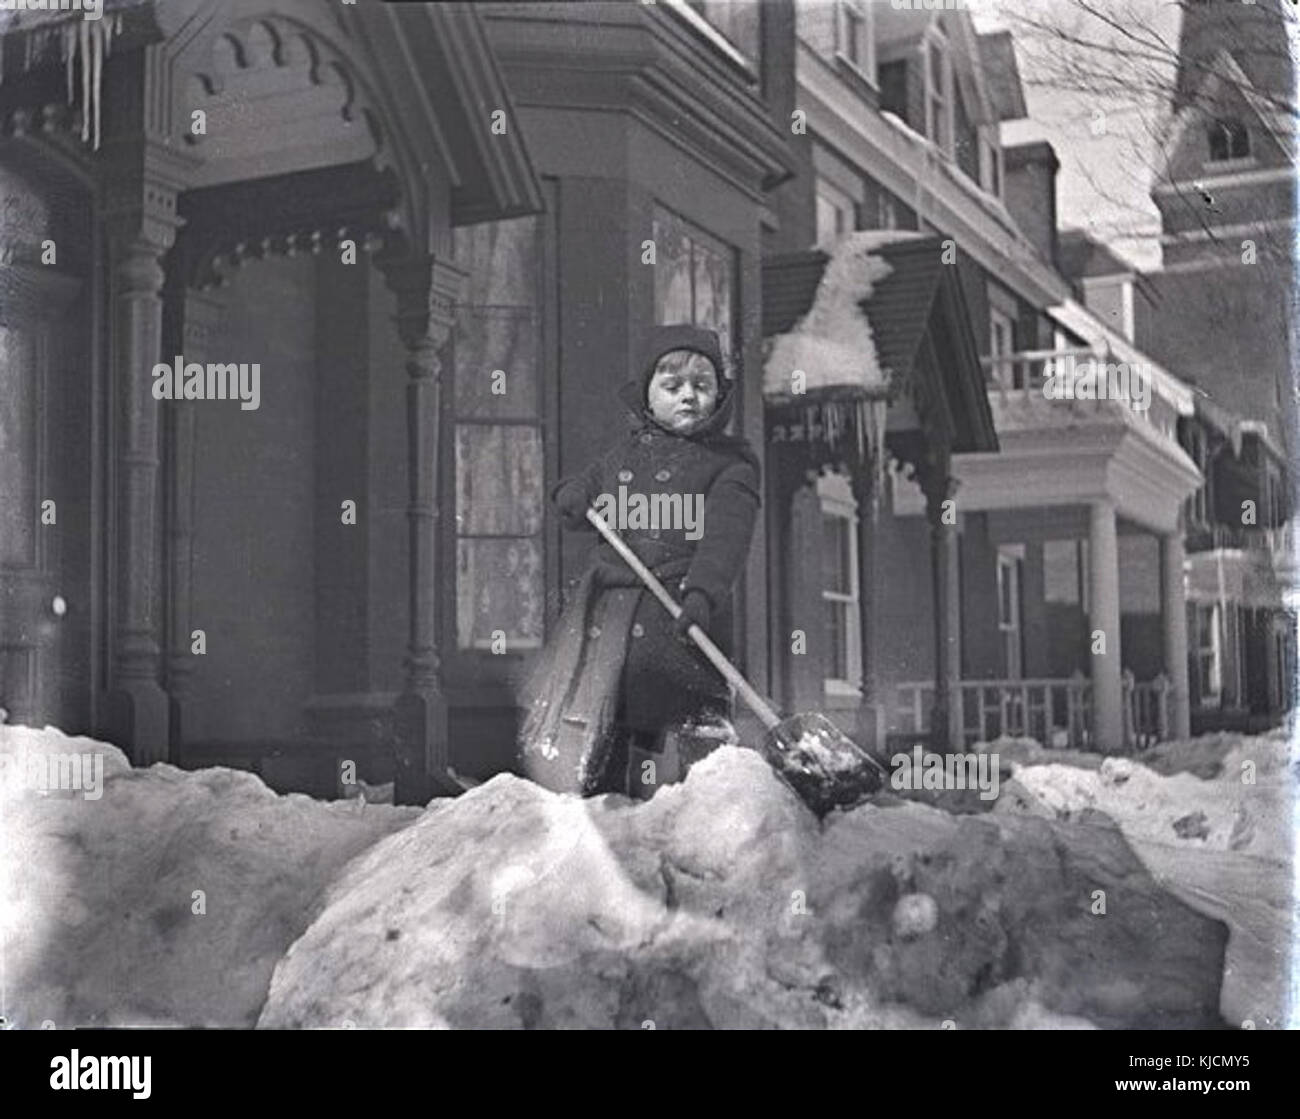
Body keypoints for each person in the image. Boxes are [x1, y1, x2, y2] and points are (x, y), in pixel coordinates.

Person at [517, 324, 761, 799]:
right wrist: (572, 494)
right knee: (608, 718)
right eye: (672, 387)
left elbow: (725, 542)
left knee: (695, 717)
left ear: (720, 396)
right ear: (649, 399)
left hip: (680, 615)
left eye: (701, 386)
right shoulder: (626, 455)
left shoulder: (730, 466)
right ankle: (606, 812)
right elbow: (585, 488)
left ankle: (715, 812)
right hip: (610, 623)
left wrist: (703, 594)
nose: (687, 396)